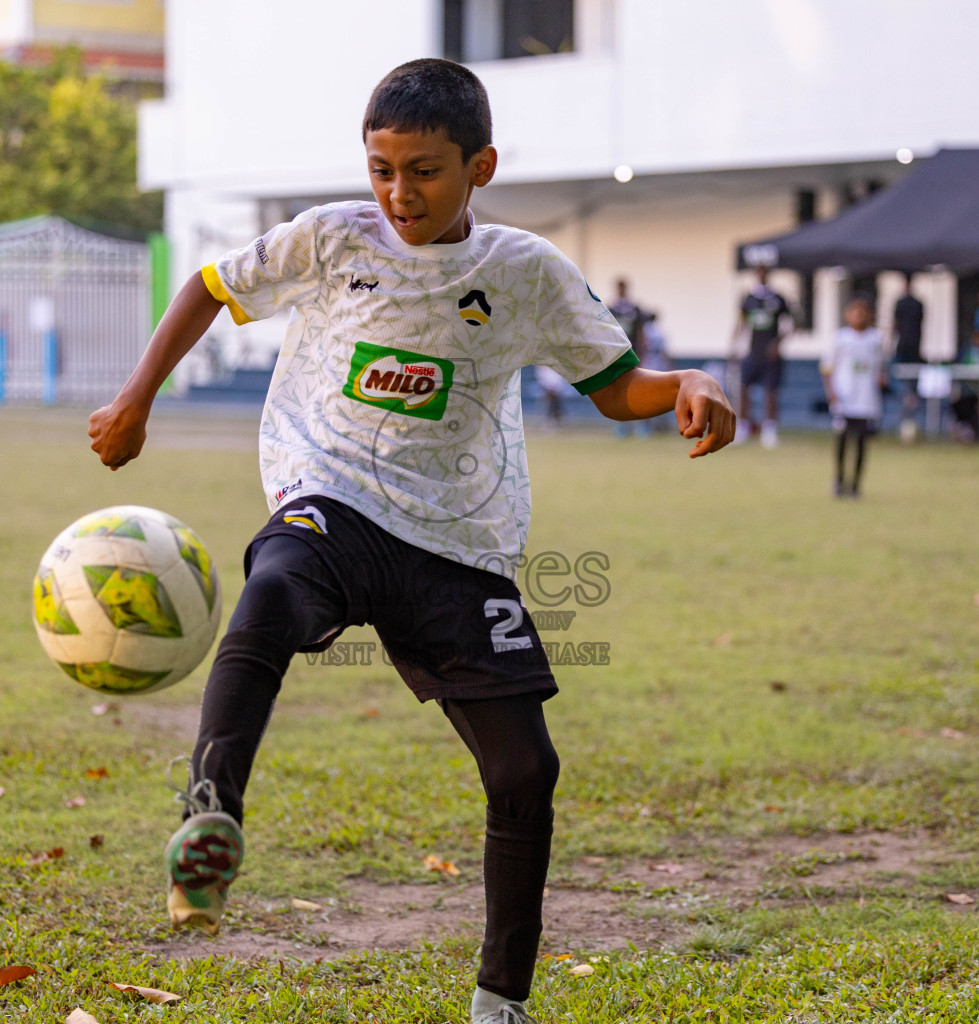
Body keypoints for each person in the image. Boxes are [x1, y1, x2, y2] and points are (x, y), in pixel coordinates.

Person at [88, 59, 735, 1024]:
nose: (399, 193)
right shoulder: (333, 236)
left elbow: (613, 389)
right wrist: (135, 398)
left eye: (425, 170)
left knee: (527, 771)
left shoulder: (522, 271)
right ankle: (209, 816)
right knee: (271, 591)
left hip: (459, 540)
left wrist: (687, 382)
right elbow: (211, 286)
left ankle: (499, 1001)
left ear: (481, 166)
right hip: (332, 495)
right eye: (383, 167)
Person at [823, 297, 886, 498]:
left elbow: (880, 366)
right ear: (847, 315)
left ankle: (856, 484)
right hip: (844, 398)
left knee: (861, 442)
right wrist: (831, 392)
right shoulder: (840, 338)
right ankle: (839, 480)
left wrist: (882, 378)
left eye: (863, 312)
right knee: (842, 440)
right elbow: (827, 368)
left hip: (866, 399)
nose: (859, 316)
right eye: (854, 311)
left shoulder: (876, 339)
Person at [731, 264, 792, 448]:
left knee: (770, 391)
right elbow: (741, 324)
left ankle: (769, 430)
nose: (761, 274)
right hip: (753, 352)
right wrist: (734, 344)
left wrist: (778, 342)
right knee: (744, 388)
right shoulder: (749, 299)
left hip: (770, 355)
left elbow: (790, 324)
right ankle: (743, 427)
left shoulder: (778, 298)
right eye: (758, 271)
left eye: (764, 270)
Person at [891, 272, 925, 443]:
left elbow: (895, 325)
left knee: (905, 379)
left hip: (907, 347)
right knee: (906, 380)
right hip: (913, 347)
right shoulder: (917, 303)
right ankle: (908, 398)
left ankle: (908, 398)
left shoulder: (904, 303)